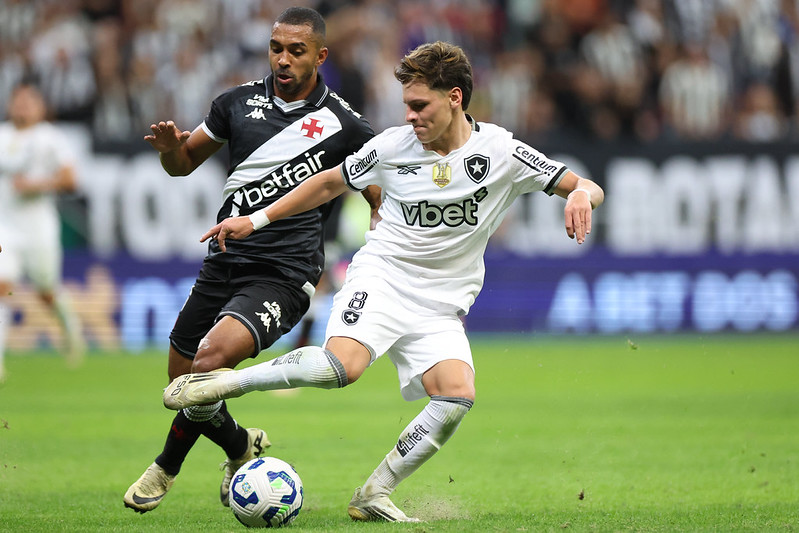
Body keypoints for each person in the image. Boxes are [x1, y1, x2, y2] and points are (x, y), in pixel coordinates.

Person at [162, 41, 605, 522]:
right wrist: (257, 219)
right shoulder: (392, 146)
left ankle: (374, 492)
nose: (410, 116)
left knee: (457, 396)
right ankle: (224, 384)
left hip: (441, 303)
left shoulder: (500, 151)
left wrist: (580, 196)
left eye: (420, 106)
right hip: (384, 276)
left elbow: (588, 185)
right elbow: (329, 182)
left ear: (455, 98)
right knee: (342, 368)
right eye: (406, 106)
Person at [123, 6, 377, 513]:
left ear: (320, 56)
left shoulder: (347, 126)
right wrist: (171, 150)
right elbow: (181, 165)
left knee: (210, 363)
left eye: (296, 51)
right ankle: (240, 446)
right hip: (224, 257)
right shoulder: (234, 104)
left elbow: (379, 194)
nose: (283, 59)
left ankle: (165, 467)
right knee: (183, 382)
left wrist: (381, 230)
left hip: (285, 272)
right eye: (276, 48)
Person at [0, 82, 85, 383]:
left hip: (38, 228)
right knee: (2, 285)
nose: (22, 106)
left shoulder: (50, 138)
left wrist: (35, 186)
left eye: (29, 101)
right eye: (17, 100)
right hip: (5, 228)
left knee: (46, 290)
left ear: (40, 107)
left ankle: (70, 330)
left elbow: (71, 179)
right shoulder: (2, 135)